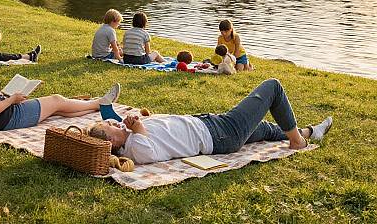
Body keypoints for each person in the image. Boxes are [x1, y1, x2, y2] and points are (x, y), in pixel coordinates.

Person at [88, 78, 333, 164]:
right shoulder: (134, 148)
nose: (115, 123)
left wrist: (141, 122)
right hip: (220, 134)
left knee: (266, 130)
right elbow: (149, 154)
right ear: (110, 140)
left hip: (212, 127)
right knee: (273, 87)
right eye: (110, 126)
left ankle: (309, 132)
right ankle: (298, 142)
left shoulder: (130, 137)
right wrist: (138, 126)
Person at [0, 22, 120, 130]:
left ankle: (98, 107)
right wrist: (12, 99)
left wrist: (3, 96)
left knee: (56, 110)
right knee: (57, 100)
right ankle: (99, 102)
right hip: (1, 120)